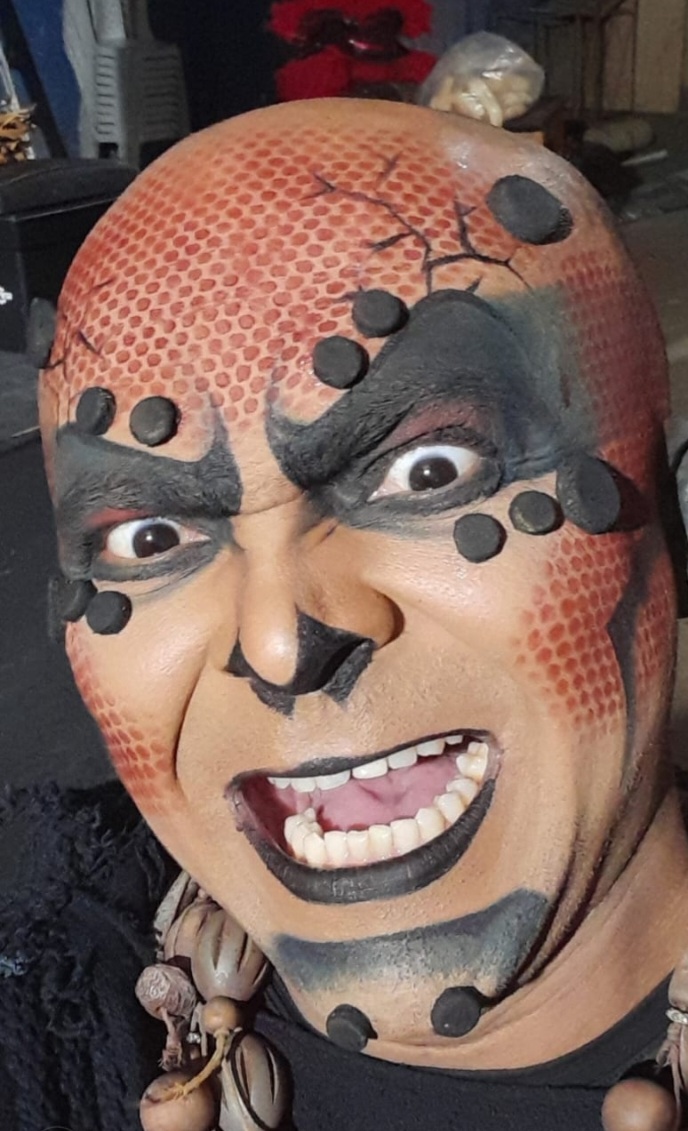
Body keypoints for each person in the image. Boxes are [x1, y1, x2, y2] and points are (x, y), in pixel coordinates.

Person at [35, 97, 688, 1129]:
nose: (279, 640)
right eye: (149, 538)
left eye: (430, 470)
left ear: (672, 522)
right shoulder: (59, 1005)